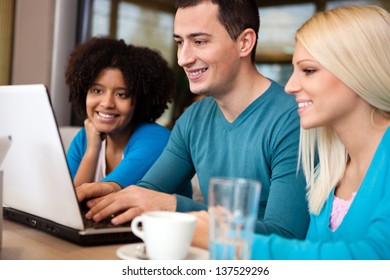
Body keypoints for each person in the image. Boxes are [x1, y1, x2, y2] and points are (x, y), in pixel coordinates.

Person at [77, 0, 310, 240]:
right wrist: (114, 190)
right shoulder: (193, 118)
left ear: (244, 43)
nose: (183, 59)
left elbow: (285, 235)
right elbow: (152, 191)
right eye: (180, 42)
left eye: (199, 41)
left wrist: (172, 206)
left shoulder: (294, 118)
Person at [191, 5, 390, 259]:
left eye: (308, 70)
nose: (290, 86)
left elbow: (377, 257)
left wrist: (234, 241)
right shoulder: (329, 172)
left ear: (360, 71)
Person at [64, 37, 175, 190]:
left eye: (121, 94)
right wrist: (92, 150)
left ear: (140, 100)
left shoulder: (156, 140)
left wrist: (91, 151)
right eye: (97, 91)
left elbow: (89, 197)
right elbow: (66, 205)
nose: (107, 103)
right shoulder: (84, 139)